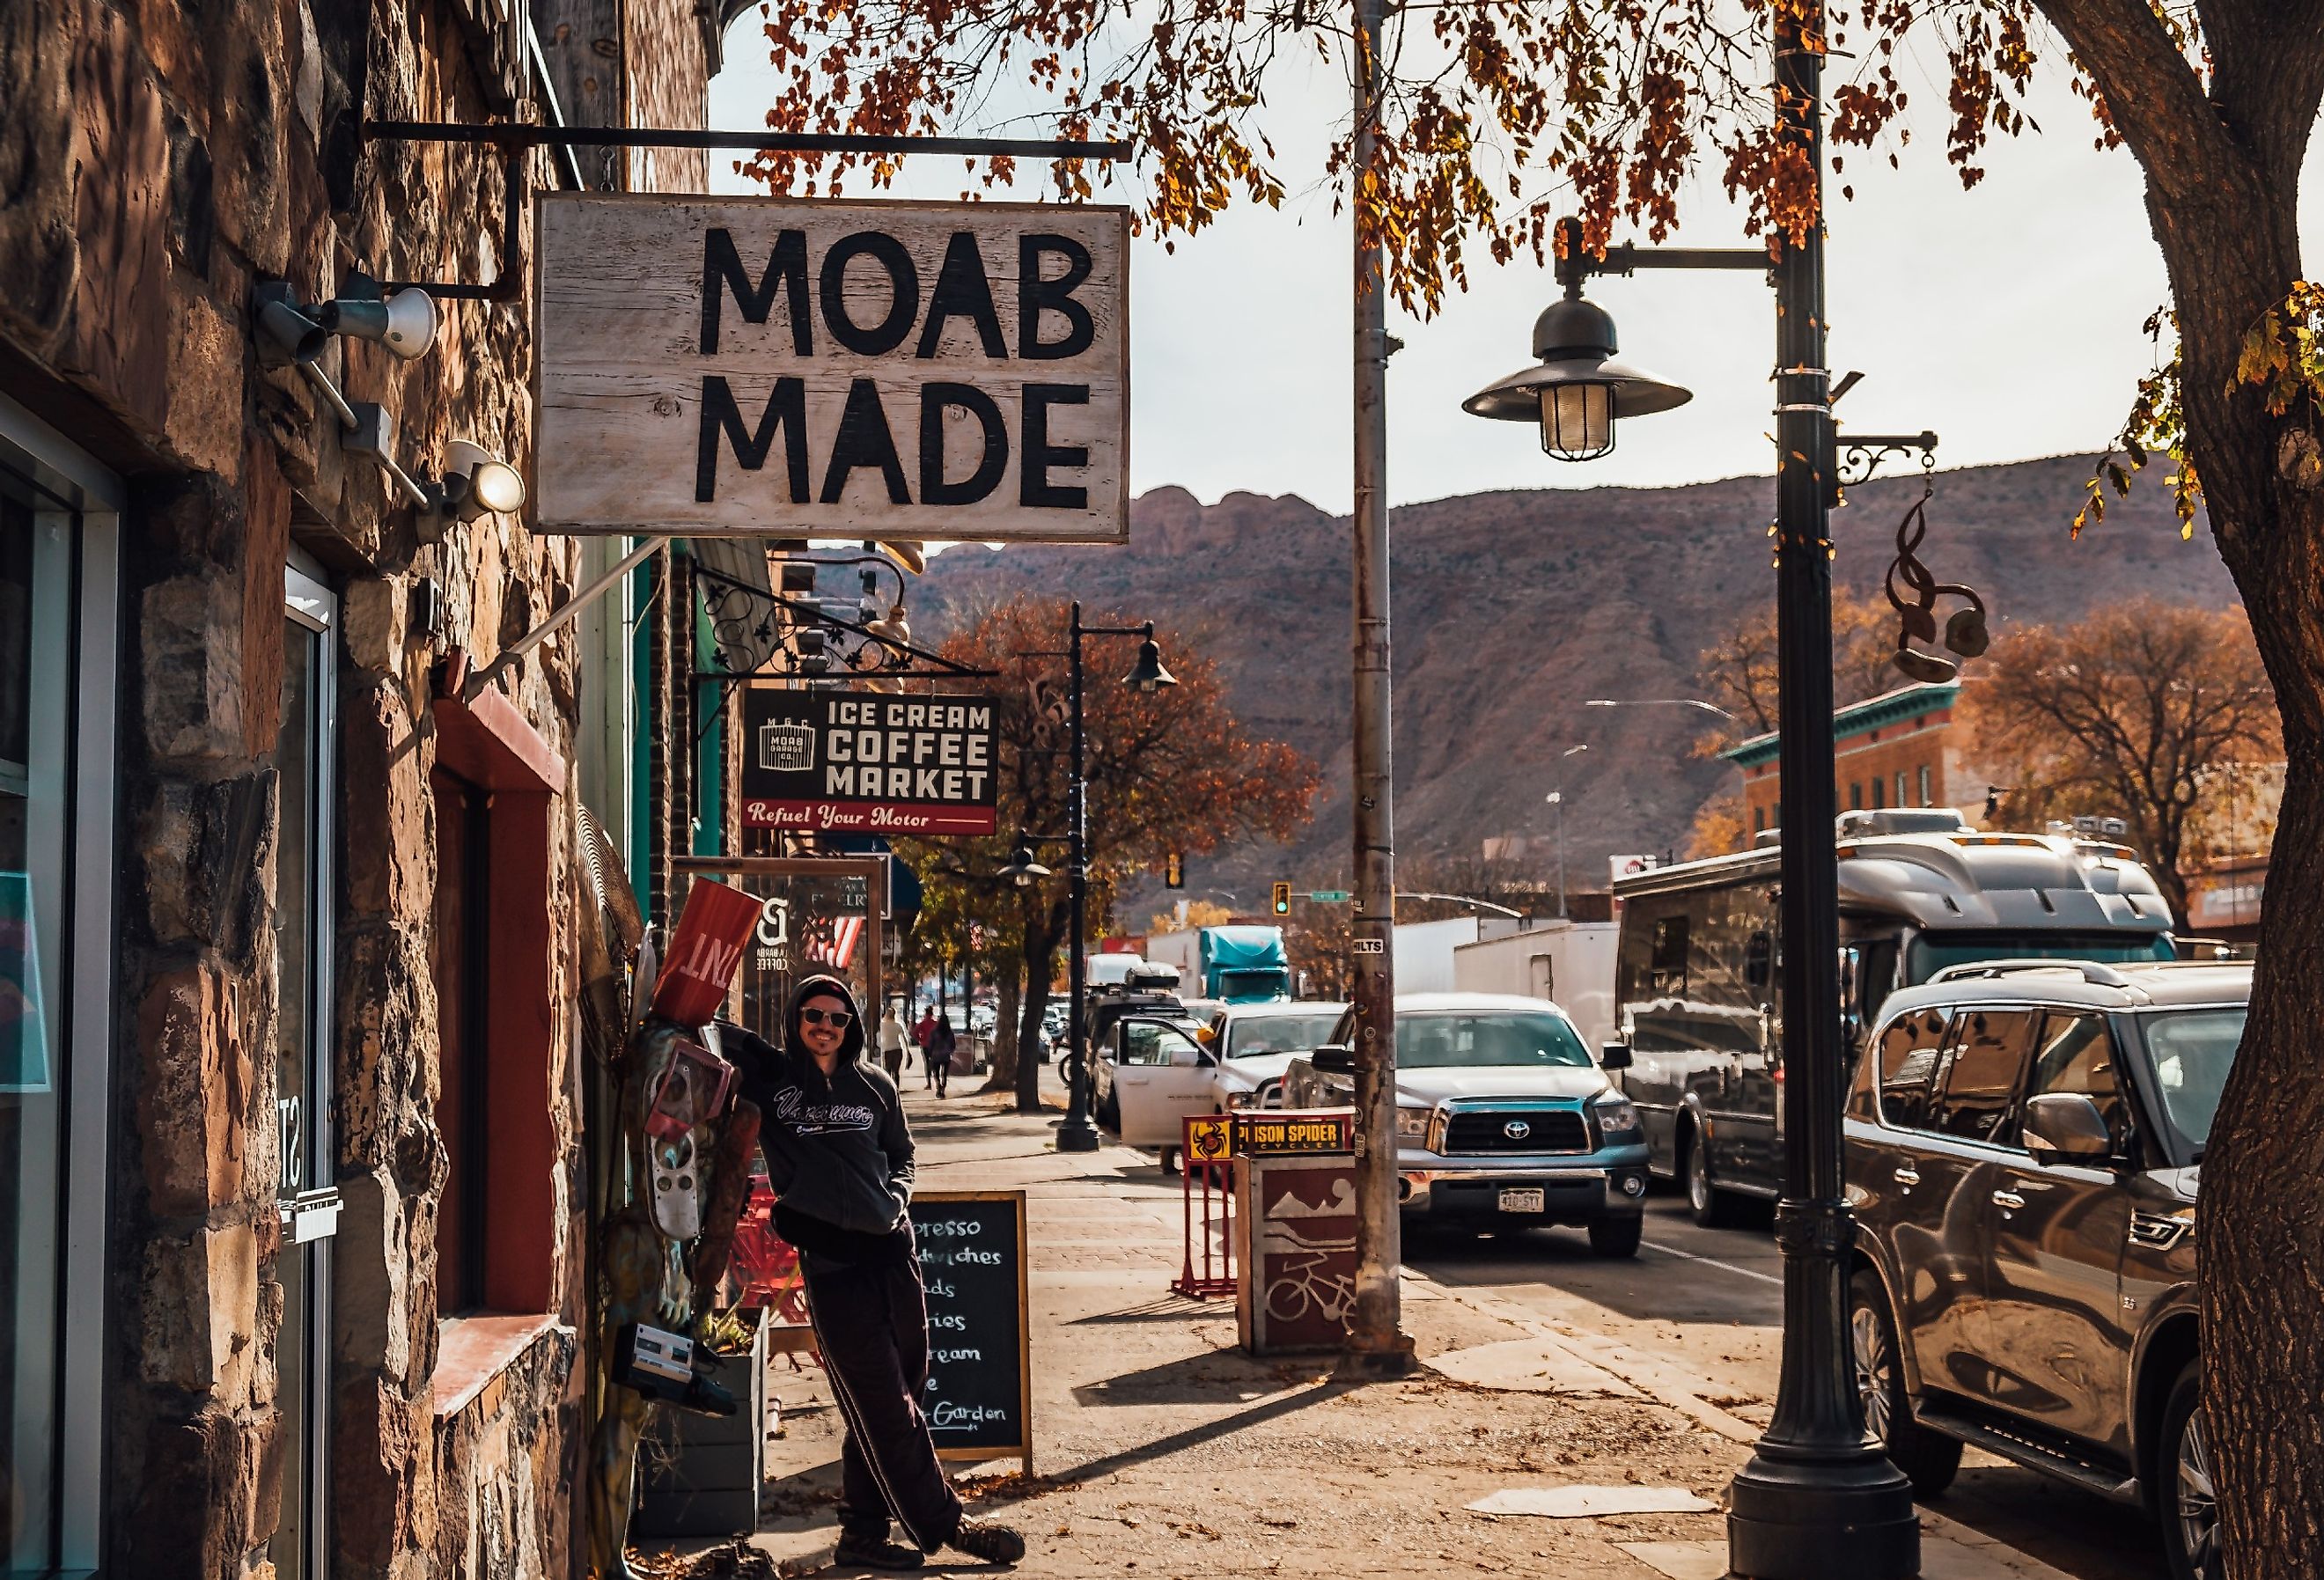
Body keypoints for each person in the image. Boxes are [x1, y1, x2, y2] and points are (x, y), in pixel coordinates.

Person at [724, 976, 1025, 1571]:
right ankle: (947, 1523)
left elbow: (903, 1153)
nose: (824, 1026)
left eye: (837, 1018)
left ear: (852, 1025)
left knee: (903, 1389)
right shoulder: (778, 1082)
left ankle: (862, 1533)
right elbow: (721, 1041)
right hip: (835, 1265)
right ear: (795, 1019)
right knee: (885, 1402)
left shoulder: (877, 1086)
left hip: (893, 1253)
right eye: (813, 1014)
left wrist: (896, 1196)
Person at [878, 1000, 909, 1083]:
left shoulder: (882, 1025)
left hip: (887, 1049)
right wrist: (908, 1051)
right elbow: (904, 1039)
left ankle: (889, 1088)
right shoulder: (898, 1025)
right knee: (896, 1072)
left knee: (887, 1071)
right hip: (898, 1049)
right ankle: (896, 1088)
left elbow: (878, 1036)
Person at [927, 1014, 956, 1099]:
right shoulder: (950, 1032)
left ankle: (938, 1084)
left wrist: (930, 1053)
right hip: (946, 1055)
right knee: (945, 1074)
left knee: (936, 1072)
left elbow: (931, 1044)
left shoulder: (934, 1032)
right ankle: (943, 1088)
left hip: (936, 1055)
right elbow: (953, 1045)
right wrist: (950, 1051)